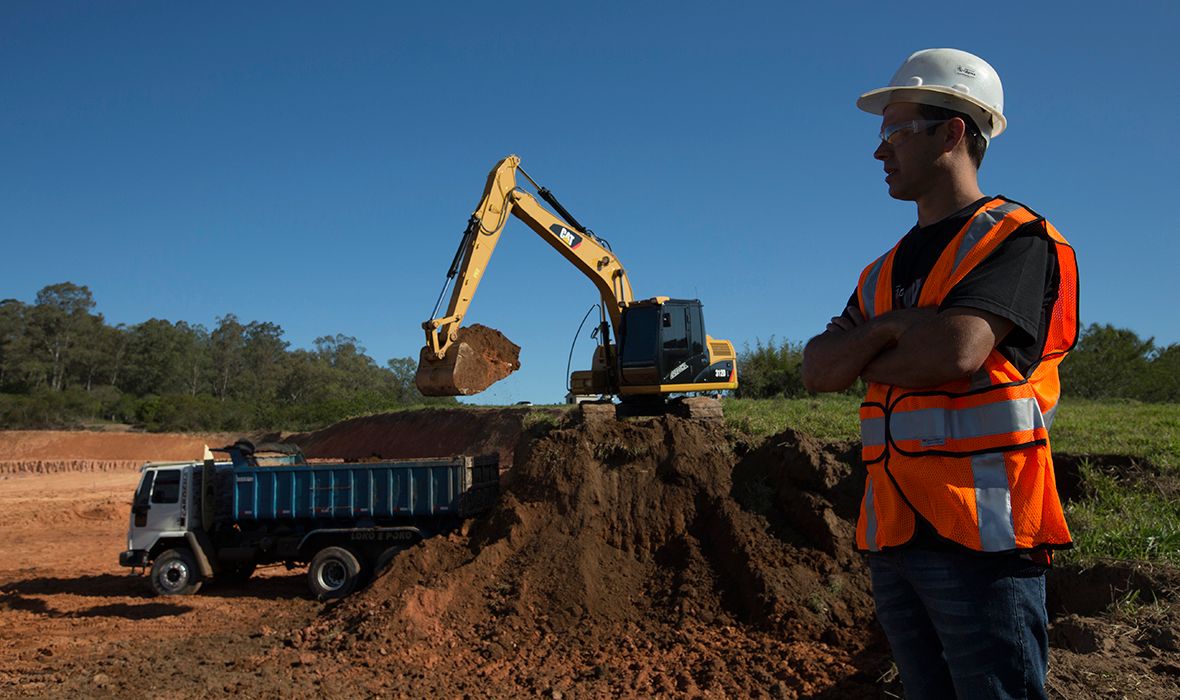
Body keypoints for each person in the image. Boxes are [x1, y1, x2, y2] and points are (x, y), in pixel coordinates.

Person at [800, 48, 1079, 699]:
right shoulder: (883, 270)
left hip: (981, 547)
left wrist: (869, 351)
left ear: (952, 132)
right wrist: (890, 330)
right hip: (895, 537)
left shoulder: (1016, 240)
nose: (880, 152)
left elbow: (957, 351)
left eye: (895, 132)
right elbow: (819, 370)